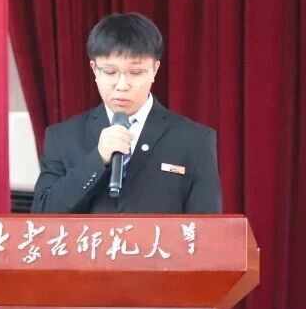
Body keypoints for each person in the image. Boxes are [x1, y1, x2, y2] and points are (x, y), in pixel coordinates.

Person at [31, 13, 223, 214]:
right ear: (94, 69)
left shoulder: (194, 140)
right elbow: (42, 213)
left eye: (136, 72)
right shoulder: (62, 137)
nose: (122, 85)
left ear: (155, 70)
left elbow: (207, 226)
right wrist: (97, 159)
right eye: (110, 72)